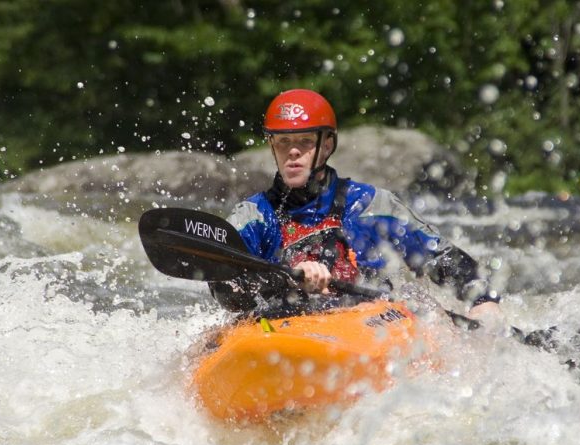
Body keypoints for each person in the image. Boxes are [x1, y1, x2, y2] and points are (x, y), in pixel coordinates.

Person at [209, 88, 501, 321]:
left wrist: (483, 300)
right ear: (272, 145)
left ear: (326, 145)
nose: (293, 152)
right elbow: (225, 288)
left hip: (367, 323)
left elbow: (439, 257)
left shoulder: (369, 205)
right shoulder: (252, 216)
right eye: (283, 142)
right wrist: (288, 279)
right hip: (285, 325)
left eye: (305, 141)